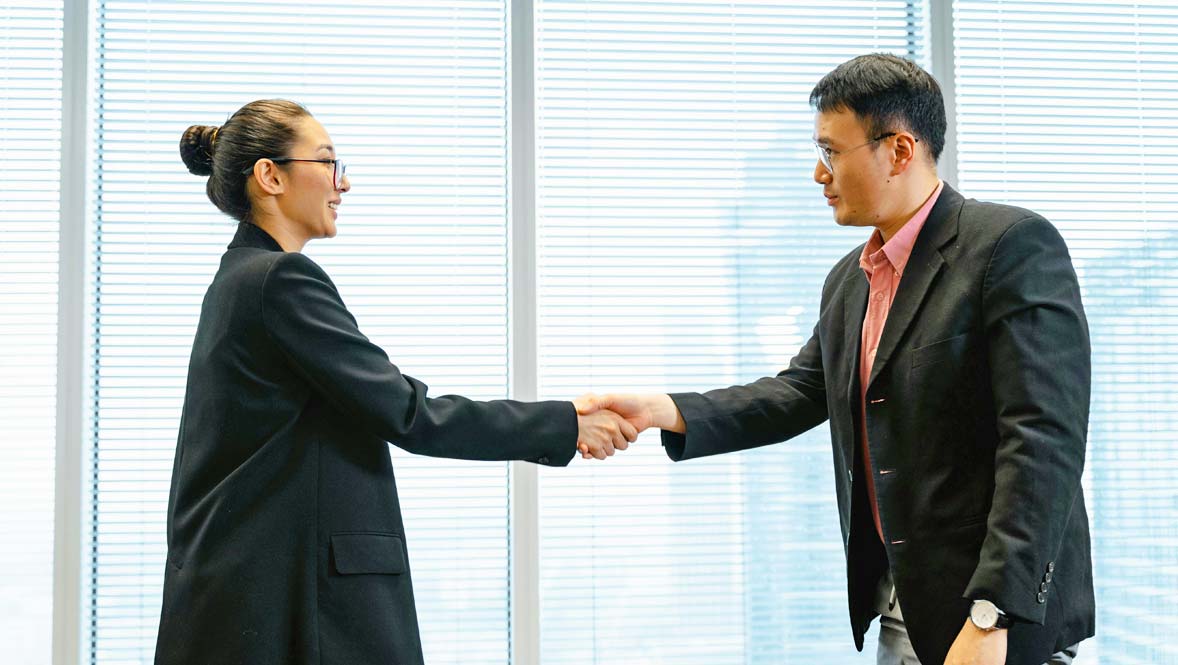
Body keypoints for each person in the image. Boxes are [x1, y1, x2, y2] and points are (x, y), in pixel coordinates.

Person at [578, 54, 1093, 665]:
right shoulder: (849, 282)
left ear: (899, 151)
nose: (818, 174)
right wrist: (662, 409)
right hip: (903, 614)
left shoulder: (1009, 246)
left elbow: (1043, 443)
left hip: (993, 624)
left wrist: (991, 613)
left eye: (831, 151)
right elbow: (798, 392)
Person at [158, 99, 635, 665]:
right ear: (270, 176)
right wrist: (566, 423)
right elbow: (409, 413)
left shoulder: (239, 279)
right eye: (329, 163)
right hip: (295, 609)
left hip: (254, 600)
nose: (345, 183)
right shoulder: (279, 280)